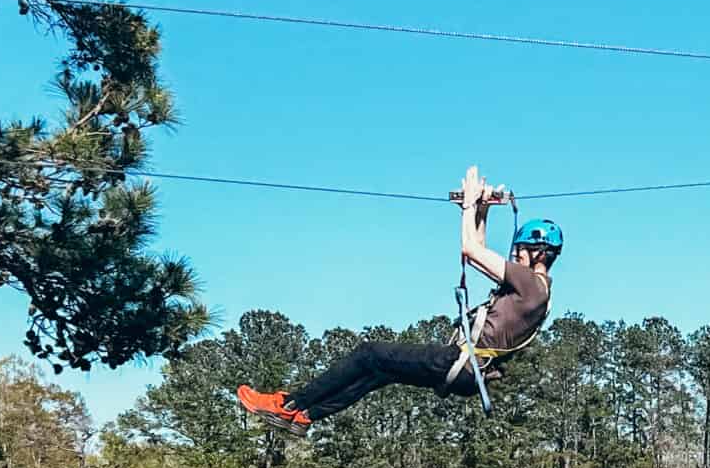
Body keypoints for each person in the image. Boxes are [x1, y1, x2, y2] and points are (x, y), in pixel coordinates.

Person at [237, 165, 562, 432]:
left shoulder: (530, 284)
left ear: (539, 252)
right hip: (468, 373)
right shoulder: (538, 292)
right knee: (381, 371)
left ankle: (287, 403)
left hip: (460, 361)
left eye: (520, 251)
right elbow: (479, 256)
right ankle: (307, 415)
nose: (514, 256)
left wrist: (468, 207)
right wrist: (482, 210)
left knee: (368, 352)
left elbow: (470, 249)